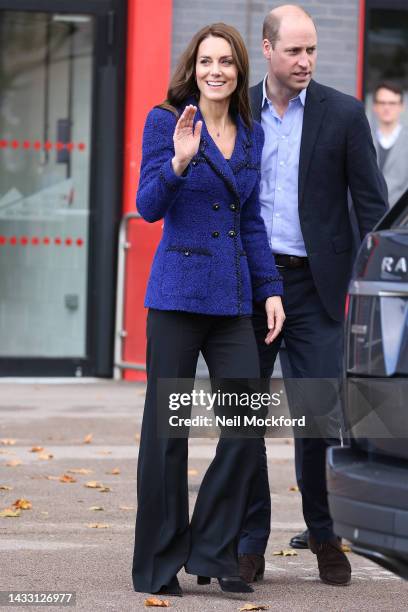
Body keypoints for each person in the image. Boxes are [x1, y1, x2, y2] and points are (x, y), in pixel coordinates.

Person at [131, 23, 285, 597]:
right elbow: (147, 207)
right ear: (192, 69)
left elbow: (250, 219)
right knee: (166, 437)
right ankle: (158, 561)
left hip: (233, 301)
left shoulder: (250, 132)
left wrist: (270, 287)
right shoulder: (163, 121)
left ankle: (214, 551)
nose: (215, 70)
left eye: (225, 61)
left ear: (240, 70)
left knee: (245, 429)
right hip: (175, 298)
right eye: (205, 61)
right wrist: (177, 162)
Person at [238, 4, 388, 587]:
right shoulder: (239, 110)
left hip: (318, 290)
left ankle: (324, 534)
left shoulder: (345, 115)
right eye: (294, 50)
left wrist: (366, 289)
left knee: (317, 419)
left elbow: (371, 210)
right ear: (268, 48)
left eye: (312, 51)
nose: (305, 62)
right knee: (244, 419)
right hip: (251, 288)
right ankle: (251, 541)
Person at [372, 81, 408, 207]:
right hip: (366, 217)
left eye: (392, 103)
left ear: (401, 106)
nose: (387, 107)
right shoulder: (362, 137)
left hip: (399, 220)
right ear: (374, 106)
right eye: (382, 103)